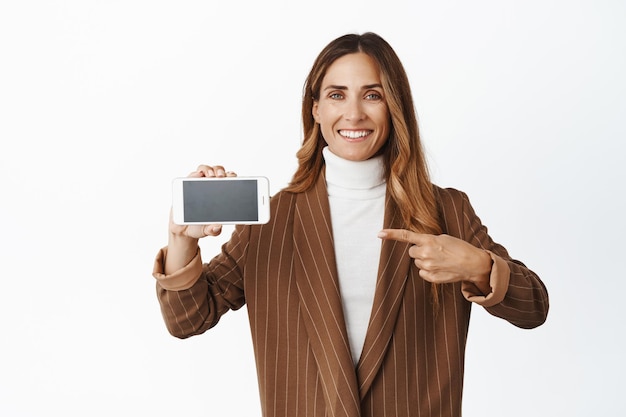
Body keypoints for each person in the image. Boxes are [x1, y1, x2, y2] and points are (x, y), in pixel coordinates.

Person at [152, 32, 549, 417]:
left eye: (372, 95)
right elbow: (188, 319)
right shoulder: (271, 223)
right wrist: (181, 240)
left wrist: (478, 267)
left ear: (395, 107)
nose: (354, 113)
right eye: (337, 94)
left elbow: (534, 307)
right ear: (316, 110)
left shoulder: (447, 210)